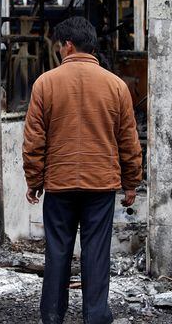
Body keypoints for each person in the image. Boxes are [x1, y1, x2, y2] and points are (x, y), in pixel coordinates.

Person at [23, 16, 142, 324]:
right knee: (96, 253)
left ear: (69, 46)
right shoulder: (116, 86)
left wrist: (34, 180)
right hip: (101, 185)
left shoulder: (45, 84)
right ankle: (96, 316)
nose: (59, 52)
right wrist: (131, 183)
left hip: (60, 185)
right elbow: (129, 140)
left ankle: (52, 316)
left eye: (59, 46)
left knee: (57, 252)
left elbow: (34, 140)